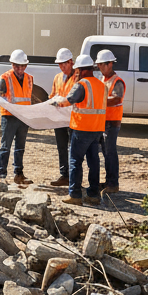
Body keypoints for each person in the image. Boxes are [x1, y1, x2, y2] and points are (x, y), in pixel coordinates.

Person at [54, 53, 105, 206]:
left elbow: (68, 101)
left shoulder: (81, 84)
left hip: (81, 129)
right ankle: (93, 195)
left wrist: (56, 102)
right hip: (97, 129)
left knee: (75, 161)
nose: (75, 73)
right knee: (93, 162)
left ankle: (75, 195)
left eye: (77, 71)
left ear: (81, 70)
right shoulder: (101, 85)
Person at [0, 49, 34, 185]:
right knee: (6, 146)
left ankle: (19, 174)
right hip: (9, 117)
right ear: (12, 64)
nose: (20, 69)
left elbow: (27, 98)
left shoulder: (29, 78)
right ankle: (2, 175)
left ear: (26, 66)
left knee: (20, 147)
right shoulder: (5, 78)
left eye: (22, 66)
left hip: (23, 117)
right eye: (17, 66)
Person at [95, 48, 124, 193]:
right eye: (99, 65)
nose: (99, 68)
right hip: (104, 121)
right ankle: (108, 182)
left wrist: (98, 101)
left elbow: (116, 99)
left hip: (112, 123)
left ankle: (113, 184)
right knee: (106, 153)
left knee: (110, 153)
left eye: (101, 65)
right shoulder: (103, 79)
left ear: (110, 64)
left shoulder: (117, 81)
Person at [48, 47, 76, 188]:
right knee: (62, 147)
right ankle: (64, 175)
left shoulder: (78, 77)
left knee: (73, 148)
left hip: (73, 119)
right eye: (60, 64)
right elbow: (52, 95)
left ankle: (73, 176)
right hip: (59, 119)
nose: (62, 66)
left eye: (64, 63)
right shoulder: (57, 77)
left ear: (71, 62)